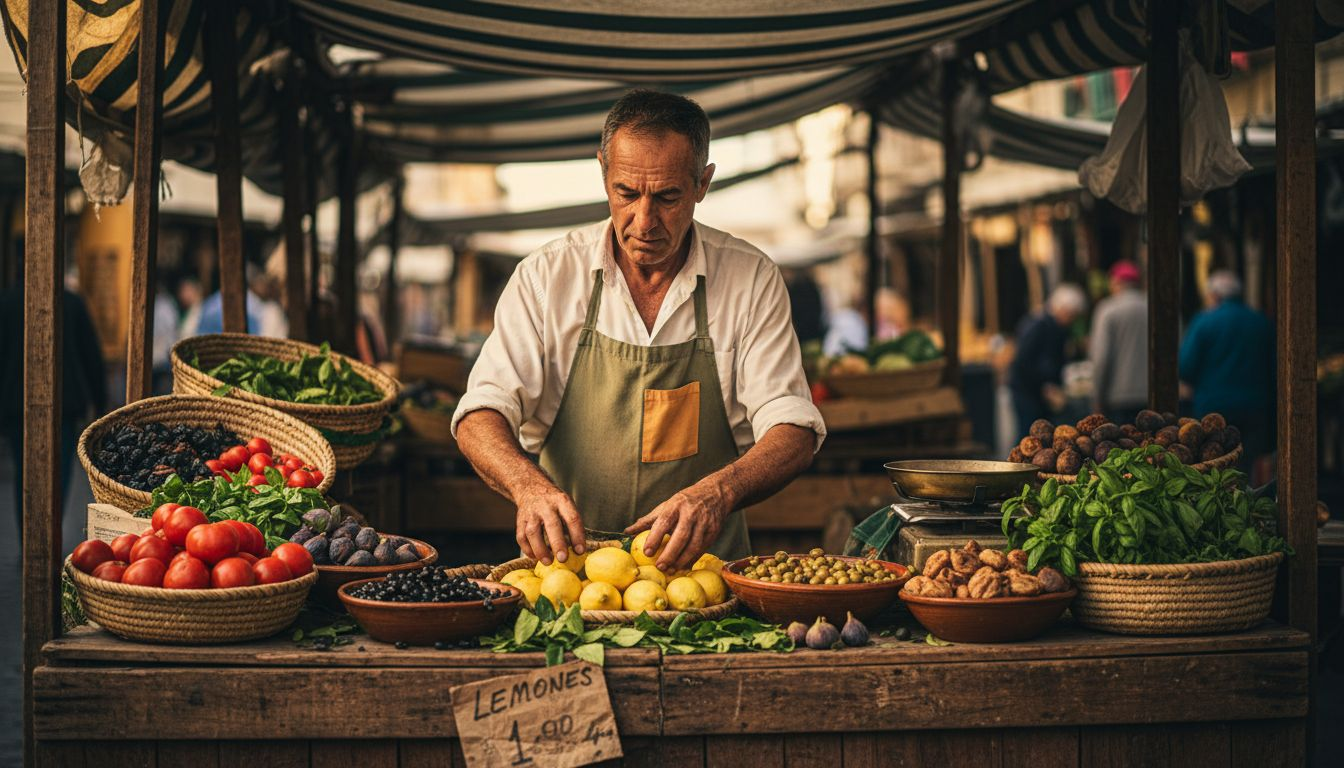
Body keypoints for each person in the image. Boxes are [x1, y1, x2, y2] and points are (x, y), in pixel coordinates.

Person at [452, 90, 825, 571]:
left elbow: (793, 426)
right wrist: (528, 487)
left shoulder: (750, 279)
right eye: (627, 193)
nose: (644, 221)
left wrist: (719, 492)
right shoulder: (547, 277)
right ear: (603, 172)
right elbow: (481, 411)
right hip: (569, 574)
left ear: (702, 183)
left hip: (704, 576)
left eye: (667, 197)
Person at [0, 282, 108, 524]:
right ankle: (51, 527)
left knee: (24, 473)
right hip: (64, 402)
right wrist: (99, 402)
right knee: (59, 472)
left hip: (18, 402)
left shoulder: (7, 302)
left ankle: (28, 533)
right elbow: (91, 355)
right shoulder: (71, 302)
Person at [1179, 270, 1275, 459]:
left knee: (1216, 462)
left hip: (1213, 407)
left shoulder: (1204, 321)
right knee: (1247, 461)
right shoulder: (1261, 322)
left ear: (1214, 295)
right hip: (1255, 405)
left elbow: (1185, 367)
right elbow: (1274, 367)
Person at [1008, 284, 1087, 434]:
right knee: (1028, 435)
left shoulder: (1056, 327)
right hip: (1028, 393)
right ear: (1063, 309)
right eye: (1072, 315)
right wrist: (1044, 386)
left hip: (1040, 393)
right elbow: (1022, 361)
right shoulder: (1038, 325)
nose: (1072, 320)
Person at [1090, 260, 1148, 425]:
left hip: (1118, 396)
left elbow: (1101, 358)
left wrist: (1097, 397)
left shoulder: (1107, 309)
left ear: (1115, 283)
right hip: (1153, 394)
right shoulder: (1154, 306)